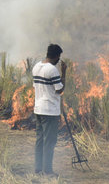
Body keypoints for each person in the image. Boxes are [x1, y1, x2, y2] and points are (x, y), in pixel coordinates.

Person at [32, 43, 67, 176]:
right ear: (57, 56)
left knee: (40, 139)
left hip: (39, 108)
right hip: (50, 110)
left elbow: (36, 86)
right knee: (50, 141)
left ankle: (38, 169)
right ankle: (47, 171)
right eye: (59, 57)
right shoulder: (52, 70)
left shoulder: (36, 67)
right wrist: (64, 73)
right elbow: (60, 89)